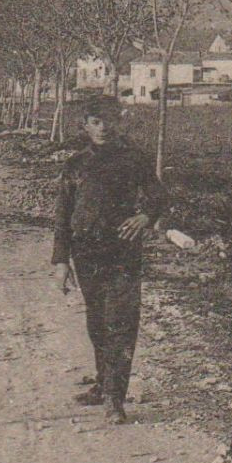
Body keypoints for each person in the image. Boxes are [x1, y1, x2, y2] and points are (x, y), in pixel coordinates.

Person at [51, 95, 165, 424]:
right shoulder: (74, 165)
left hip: (123, 252)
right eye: (95, 121)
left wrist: (145, 217)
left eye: (108, 120)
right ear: (85, 126)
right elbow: (62, 215)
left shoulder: (135, 159)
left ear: (119, 122)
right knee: (97, 322)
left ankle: (115, 399)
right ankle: (103, 385)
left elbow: (158, 195)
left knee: (122, 322)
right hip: (86, 252)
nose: (102, 128)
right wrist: (61, 261)